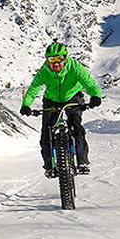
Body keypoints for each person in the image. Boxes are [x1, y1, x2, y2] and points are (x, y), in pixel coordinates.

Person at [19, 41, 103, 177]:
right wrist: (26, 105)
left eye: (59, 59)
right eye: (52, 60)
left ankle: (82, 162)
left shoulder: (74, 67)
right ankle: (49, 166)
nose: (56, 63)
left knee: (77, 129)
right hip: (51, 100)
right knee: (46, 133)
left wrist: (95, 96)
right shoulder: (44, 71)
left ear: (65, 58)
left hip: (72, 98)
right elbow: (33, 88)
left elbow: (89, 82)